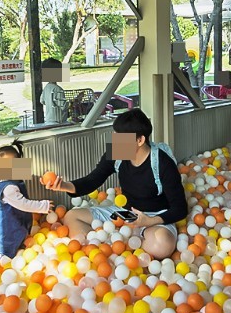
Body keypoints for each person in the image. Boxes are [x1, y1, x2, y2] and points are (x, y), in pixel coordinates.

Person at [49, 109, 187, 259]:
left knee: (162, 244)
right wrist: (63, 185)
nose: (116, 143)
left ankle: (124, 246)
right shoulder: (117, 152)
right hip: (125, 214)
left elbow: (180, 209)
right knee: (71, 216)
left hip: (155, 217)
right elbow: (92, 180)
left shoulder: (163, 163)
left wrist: (149, 221)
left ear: (140, 140)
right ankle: (107, 251)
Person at [0, 141, 53, 259]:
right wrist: (43, 206)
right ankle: (2, 258)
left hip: (14, 225)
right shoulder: (8, 189)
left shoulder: (9, 183)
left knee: (18, 243)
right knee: (7, 253)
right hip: (6, 231)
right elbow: (24, 204)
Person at [40, 58, 68, 125]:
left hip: (48, 120)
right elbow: (63, 107)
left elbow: (42, 101)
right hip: (59, 122)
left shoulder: (46, 87)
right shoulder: (58, 89)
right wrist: (74, 101)